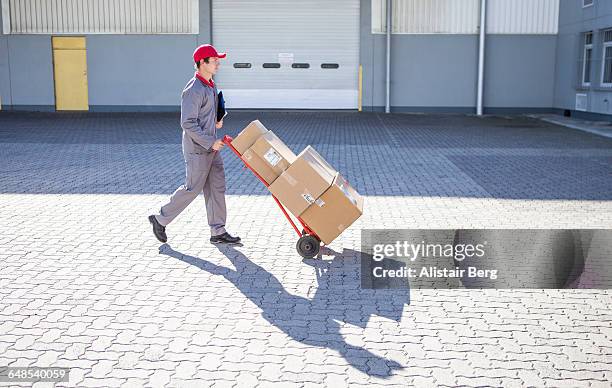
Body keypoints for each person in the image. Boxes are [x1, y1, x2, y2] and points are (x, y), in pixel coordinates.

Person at [148, 44, 241, 245]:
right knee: (192, 188)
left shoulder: (210, 84)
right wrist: (210, 141)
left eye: (218, 60)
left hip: (212, 147)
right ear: (202, 63)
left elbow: (207, 112)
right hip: (198, 149)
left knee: (217, 186)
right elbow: (187, 122)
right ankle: (160, 219)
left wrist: (217, 120)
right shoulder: (193, 90)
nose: (218, 64)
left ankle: (218, 231)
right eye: (214, 60)